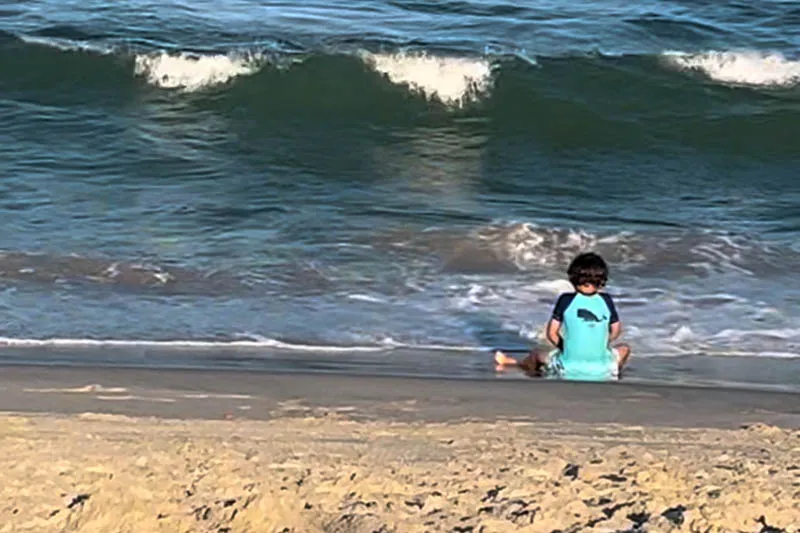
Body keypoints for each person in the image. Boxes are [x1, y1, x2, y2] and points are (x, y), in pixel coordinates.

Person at [494, 252, 630, 381]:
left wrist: (565, 346)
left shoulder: (566, 300)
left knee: (537, 353)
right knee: (624, 348)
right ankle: (613, 371)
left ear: (572, 276)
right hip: (602, 368)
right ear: (602, 279)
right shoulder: (606, 300)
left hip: (568, 368)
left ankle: (522, 366)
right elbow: (616, 330)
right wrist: (600, 343)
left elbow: (551, 333)